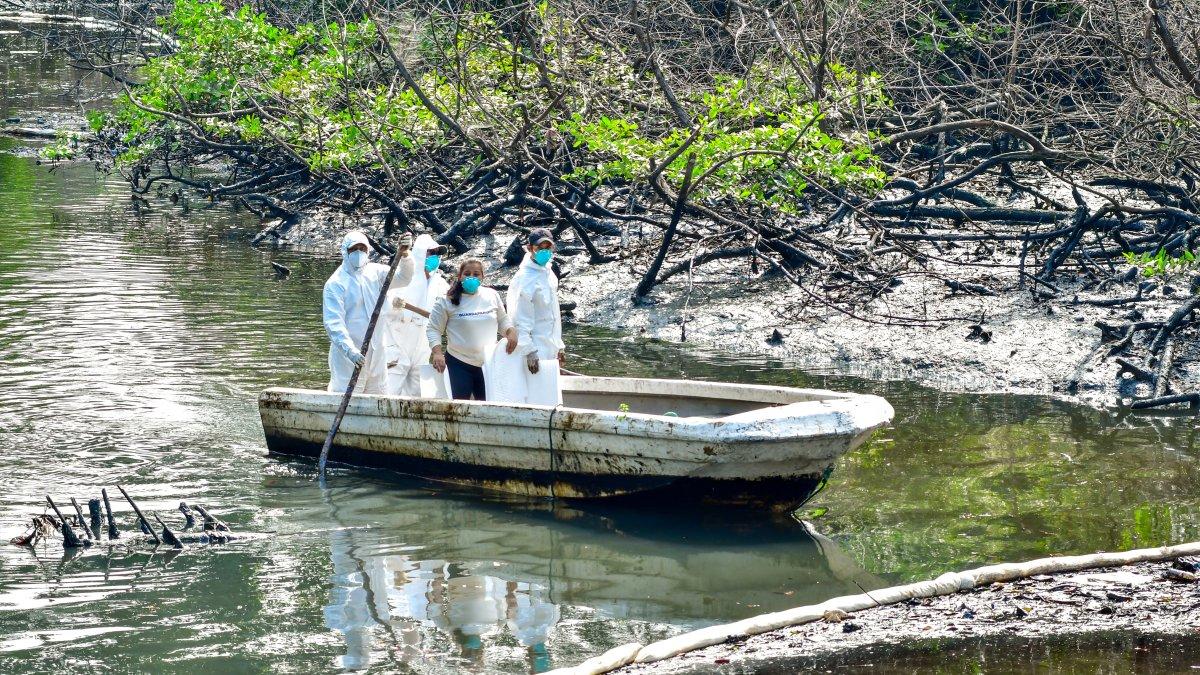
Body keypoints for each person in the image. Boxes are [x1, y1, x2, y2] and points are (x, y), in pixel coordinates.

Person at [323, 230, 413, 395]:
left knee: (378, 398)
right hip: (348, 357)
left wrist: (405, 255)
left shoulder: (376, 273)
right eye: (354, 249)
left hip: (377, 352)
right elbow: (333, 323)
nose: (359, 253)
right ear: (345, 251)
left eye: (363, 249)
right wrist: (351, 351)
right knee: (346, 397)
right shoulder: (336, 283)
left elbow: (403, 278)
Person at [425, 258, 518, 400]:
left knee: (491, 406)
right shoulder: (445, 300)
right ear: (460, 276)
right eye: (467, 274)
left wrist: (510, 332)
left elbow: (502, 320)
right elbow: (433, 329)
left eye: (476, 274)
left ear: (482, 277)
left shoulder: (491, 295)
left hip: (488, 363)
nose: (471, 277)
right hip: (458, 363)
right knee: (458, 409)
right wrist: (437, 353)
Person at [384, 234, 449, 396]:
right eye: (430, 253)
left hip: (423, 347)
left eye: (436, 254)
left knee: (417, 396)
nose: (434, 257)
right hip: (397, 345)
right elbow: (384, 308)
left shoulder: (440, 284)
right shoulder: (404, 277)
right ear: (420, 254)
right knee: (388, 392)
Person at [507, 228, 565, 376]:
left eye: (548, 247)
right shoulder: (524, 278)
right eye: (539, 248)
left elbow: (554, 313)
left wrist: (559, 345)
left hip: (550, 345)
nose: (544, 251)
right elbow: (518, 318)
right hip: (534, 349)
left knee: (550, 396)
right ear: (530, 248)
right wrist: (529, 350)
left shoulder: (549, 272)